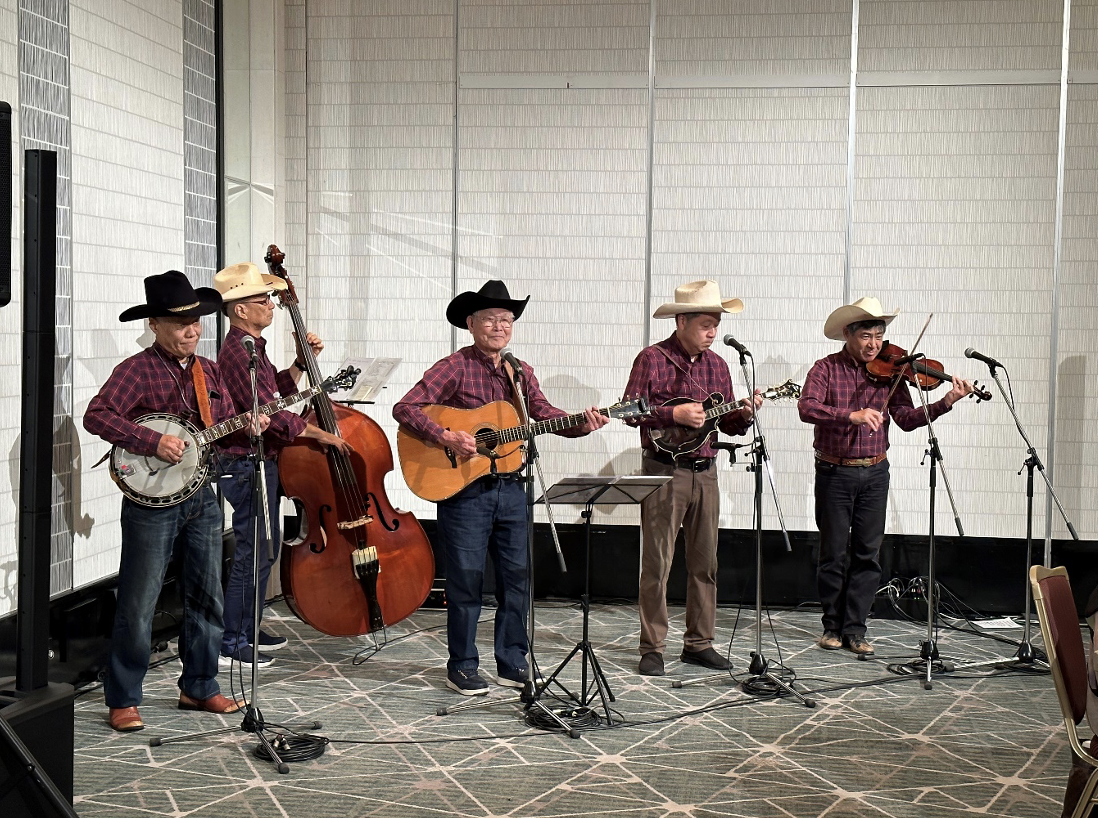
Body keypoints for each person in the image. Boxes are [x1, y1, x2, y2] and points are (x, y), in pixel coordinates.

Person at [393, 280, 609, 695]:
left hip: (513, 489)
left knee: (517, 578)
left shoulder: (519, 371)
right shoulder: (454, 366)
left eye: (507, 319)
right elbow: (405, 408)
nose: (500, 326)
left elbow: (544, 416)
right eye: (491, 318)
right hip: (465, 491)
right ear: (471, 324)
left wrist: (583, 423)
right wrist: (446, 437)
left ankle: (513, 661)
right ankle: (462, 665)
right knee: (466, 579)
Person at [84, 270, 260, 732]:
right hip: (150, 502)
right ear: (155, 325)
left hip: (201, 493)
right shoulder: (135, 370)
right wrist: (149, 440)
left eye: (197, 322)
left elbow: (219, 425)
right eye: (180, 323)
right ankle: (123, 697)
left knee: (208, 595)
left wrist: (248, 426)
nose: (192, 330)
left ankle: (199, 685)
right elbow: (96, 415)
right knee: (139, 602)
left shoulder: (211, 371)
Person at [798, 296, 974, 656]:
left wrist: (947, 401)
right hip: (834, 471)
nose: (874, 344)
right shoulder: (826, 368)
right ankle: (832, 626)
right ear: (848, 334)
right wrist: (851, 415)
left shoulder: (891, 371)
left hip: (876, 472)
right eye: (866, 335)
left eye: (879, 335)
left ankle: (856, 629)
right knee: (832, 553)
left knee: (868, 553)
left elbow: (908, 420)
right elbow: (807, 407)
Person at [212, 262, 351, 668]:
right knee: (255, 552)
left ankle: (247, 627)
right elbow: (267, 415)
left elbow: (276, 396)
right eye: (263, 300)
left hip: (261, 463)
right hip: (245, 464)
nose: (272, 305)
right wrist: (320, 434)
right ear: (241, 310)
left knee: (264, 551)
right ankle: (233, 640)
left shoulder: (253, 349)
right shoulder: (239, 352)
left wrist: (302, 363)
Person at [623, 280, 762, 678]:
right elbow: (630, 411)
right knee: (658, 563)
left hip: (707, 471)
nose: (713, 332)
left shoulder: (718, 365)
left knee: (706, 563)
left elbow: (729, 426)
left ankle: (699, 644)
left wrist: (745, 413)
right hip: (664, 471)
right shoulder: (651, 359)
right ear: (681, 321)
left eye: (716, 324)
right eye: (705, 324)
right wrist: (673, 415)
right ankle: (653, 647)